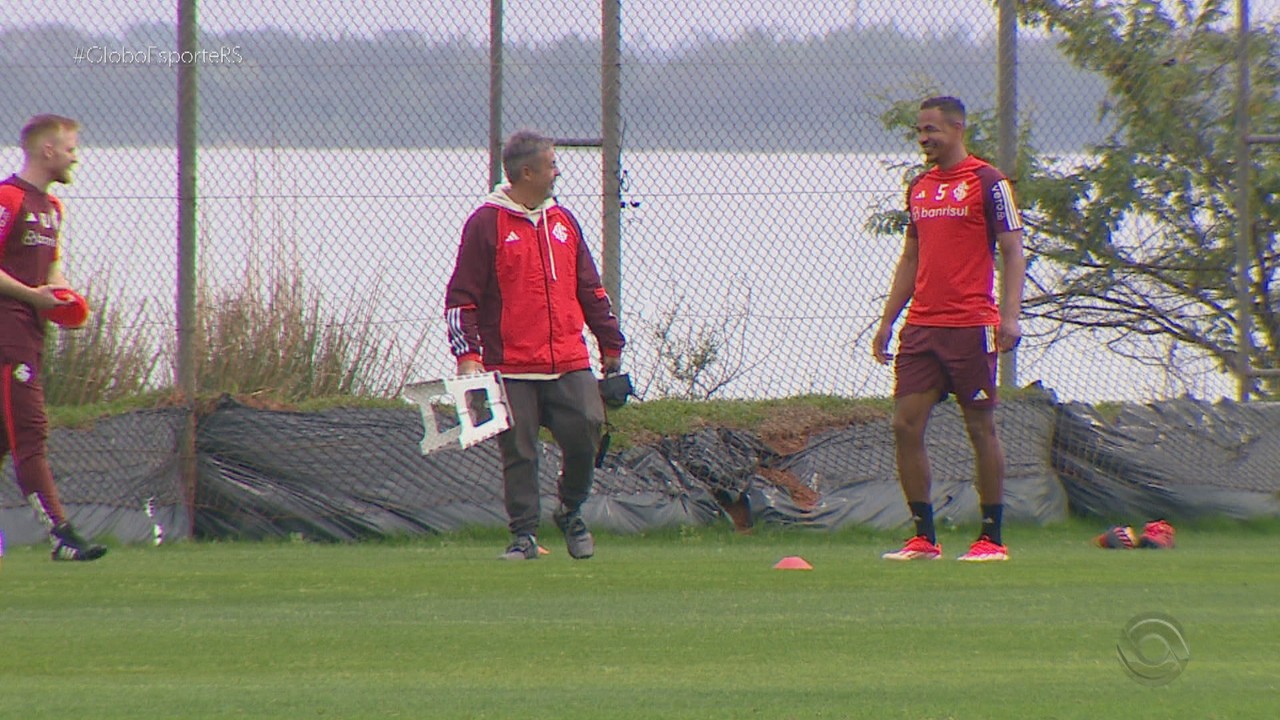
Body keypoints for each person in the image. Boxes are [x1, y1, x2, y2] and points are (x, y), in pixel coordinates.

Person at [445, 130, 625, 561]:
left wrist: (611, 348)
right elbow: (461, 298)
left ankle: (570, 509)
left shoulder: (563, 222)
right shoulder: (485, 224)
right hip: (511, 365)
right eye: (551, 164)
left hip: (568, 359)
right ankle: (523, 536)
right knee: (520, 451)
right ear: (528, 172)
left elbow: (591, 289)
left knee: (586, 430)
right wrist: (468, 357)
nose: (557, 171)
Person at [871, 96, 1026, 562]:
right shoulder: (919, 187)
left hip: (970, 326)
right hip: (922, 327)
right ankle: (924, 537)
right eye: (919, 131)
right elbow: (911, 258)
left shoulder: (988, 182)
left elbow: (1014, 251)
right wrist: (887, 320)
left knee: (980, 428)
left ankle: (991, 539)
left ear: (958, 128)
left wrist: (1010, 315)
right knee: (904, 424)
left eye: (931, 130)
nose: (923, 139)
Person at [0, 114, 107, 561]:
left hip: (30, 331)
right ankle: (61, 536)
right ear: (47, 151)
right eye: (69, 148)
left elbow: (50, 266)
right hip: (8, 334)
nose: (75, 157)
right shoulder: (8, 197)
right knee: (30, 435)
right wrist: (31, 296)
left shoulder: (52, 209)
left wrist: (61, 295)